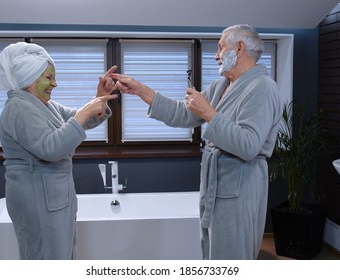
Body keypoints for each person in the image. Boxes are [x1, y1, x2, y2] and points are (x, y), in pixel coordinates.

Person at [112, 24, 283, 259]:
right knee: (211, 254)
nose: (216, 55)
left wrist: (209, 113)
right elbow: (185, 114)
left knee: (231, 258)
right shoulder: (221, 85)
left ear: (240, 49)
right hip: (215, 188)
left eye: (221, 48)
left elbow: (248, 145)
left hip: (239, 191)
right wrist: (141, 90)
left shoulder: (262, 88)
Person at [0, 42, 118, 259]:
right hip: (35, 199)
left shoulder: (43, 104)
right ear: (29, 77)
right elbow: (50, 148)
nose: (55, 83)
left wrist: (98, 99)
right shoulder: (18, 108)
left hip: (53, 196)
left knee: (61, 255)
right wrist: (85, 112)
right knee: (45, 257)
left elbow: (79, 119)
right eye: (49, 77)